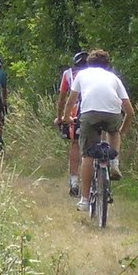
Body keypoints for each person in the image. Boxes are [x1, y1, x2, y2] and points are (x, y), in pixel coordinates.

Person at [70, 49, 134, 209]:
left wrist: (64, 117)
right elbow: (130, 111)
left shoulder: (82, 75)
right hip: (113, 114)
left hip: (89, 114)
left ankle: (84, 200)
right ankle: (114, 162)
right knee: (113, 132)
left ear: (88, 63)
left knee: (88, 157)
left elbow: (71, 100)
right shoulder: (114, 78)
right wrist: (121, 132)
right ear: (107, 65)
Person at [56, 50, 89, 196]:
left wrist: (60, 117)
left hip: (75, 112)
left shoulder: (68, 74)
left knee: (75, 143)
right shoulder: (97, 73)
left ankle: (74, 180)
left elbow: (62, 98)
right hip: (94, 109)